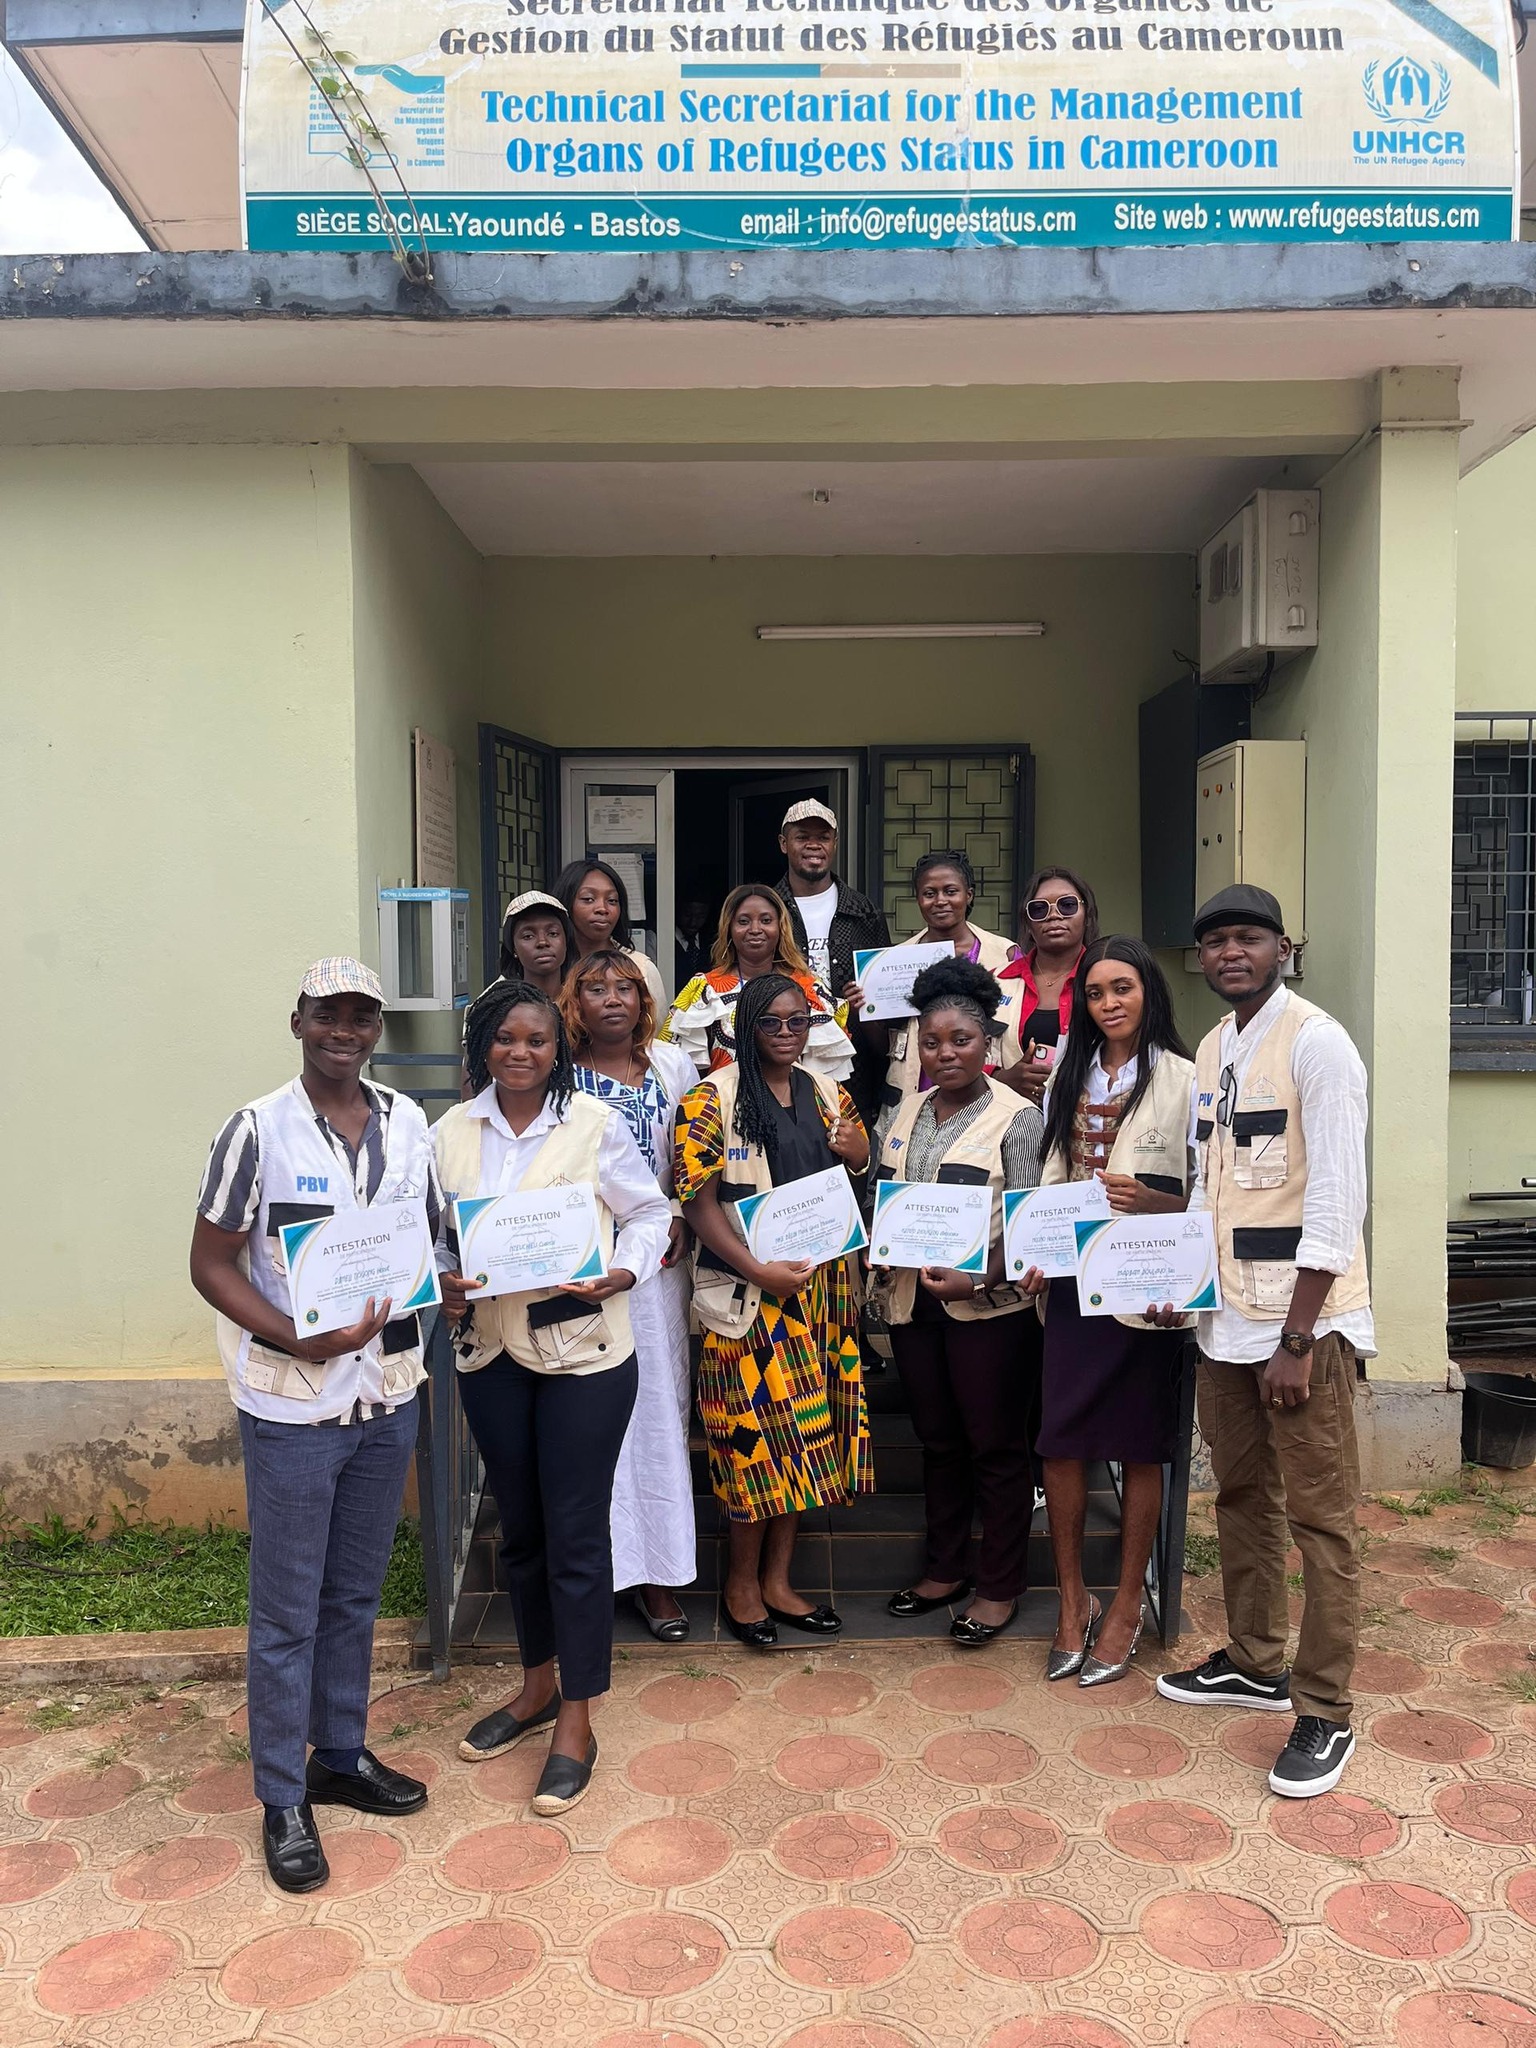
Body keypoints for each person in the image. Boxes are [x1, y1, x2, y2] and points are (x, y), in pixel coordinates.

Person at [189, 957, 437, 1894]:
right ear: (297, 1021)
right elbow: (211, 1263)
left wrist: (451, 1281)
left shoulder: (408, 1124)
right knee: (287, 1611)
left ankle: (339, 1753)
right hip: (294, 1404)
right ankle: (282, 1795)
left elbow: (422, 1241)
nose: (345, 1031)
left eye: (361, 1017)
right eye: (327, 1015)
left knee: (354, 1596)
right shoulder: (256, 1130)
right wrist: (297, 1333)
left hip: (386, 1394)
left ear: (377, 1029)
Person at [1155, 885, 1373, 1801]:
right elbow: (1209, 1184)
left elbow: (1336, 1199)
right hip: (1226, 1323)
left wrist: (1300, 1335)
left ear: (1283, 947)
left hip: (1299, 1327)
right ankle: (1255, 1660)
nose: (1229, 954)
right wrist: (1183, 1289)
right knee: (1243, 1496)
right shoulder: (1215, 1046)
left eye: (1247, 938)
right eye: (1214, 942)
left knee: (1323, 1520)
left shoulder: (1318, 1043)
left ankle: (1325, 1709)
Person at [434, 981, 671, 1815]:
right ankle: (536, 1687)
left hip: (585, 1355)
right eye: (505, 1038)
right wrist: (443, 1283)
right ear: (483, 1046)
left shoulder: (593, 1124)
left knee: (575, 1536)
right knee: (523, 1534)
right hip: (492, 1354)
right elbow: (438, 1238)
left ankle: (578, 1718)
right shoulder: (447, 1134)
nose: (521, 1052)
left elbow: (650, 1214)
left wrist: (623, 1272)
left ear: (555, 1049)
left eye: (537, 1039)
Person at [674, 972, 873, 1647]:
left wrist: (860, 1153)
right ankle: (740, 1588)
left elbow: (857, 1164)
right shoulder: (711, 1099)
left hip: (820, 1296)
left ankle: (780, 1583)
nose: (787, 1034)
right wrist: (757, 1268)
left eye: (798, 1022)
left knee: (806, 1442)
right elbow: (696, 1201)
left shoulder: (827, 1091)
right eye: (771, 1022)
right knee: (752, 1446)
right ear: (745, 1027)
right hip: (750, 1298)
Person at [1019, 937, 1195, 1687]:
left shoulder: (1187, 1078)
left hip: (1148, 1285)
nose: (1109, 1003)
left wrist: (1156, 1202)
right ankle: (1072, 1599)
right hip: (1073, 1281)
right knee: (1061, 1442)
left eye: (1122, 987)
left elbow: (1208, 1191)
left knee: (1140, 1445)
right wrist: (1034, 1251)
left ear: (1149, 991)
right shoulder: (1070, 1072)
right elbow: (1053, 1170)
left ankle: (1126, 1606)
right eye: (1095, 992)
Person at [873, 959, 1044, 1647]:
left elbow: (1032, 1228)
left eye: (960, 1040)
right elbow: (884, 1194)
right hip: (913, 1308)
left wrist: (981, 1280)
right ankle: (944, 1570)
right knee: (939, 1441)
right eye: (931, 1042)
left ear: (988, 1044)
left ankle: (999, 1587)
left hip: (988, 1315)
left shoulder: (1018, 1118)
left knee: (996, 1448)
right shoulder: (905, 1111)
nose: (945, 1053)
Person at [562, 948, 699, 1641]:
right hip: (582, 1268)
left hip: (658, 1267)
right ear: (574, 1005)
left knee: (657, 1417)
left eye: (626, 987)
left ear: (646, 1001)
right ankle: (599, 1573)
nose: (613, 998)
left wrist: (681, 1217)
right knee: (591, 1419)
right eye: (596, 988)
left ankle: (658, 1576)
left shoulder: (674, 1066)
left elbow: (695, 1159)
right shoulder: (558, 1077)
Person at [874, 851, 1021, 1138]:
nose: (940, 900)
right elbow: (881, 1045)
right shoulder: (895, 960)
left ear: (969, 894)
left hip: (987, 1088)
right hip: (914, 1087)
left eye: (950, 891)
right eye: (929, 893)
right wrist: (864, 1009)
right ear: (918, 899)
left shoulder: (1005, 955)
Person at [773, 797, 892, 1131]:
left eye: (823, 837)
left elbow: (884, 997)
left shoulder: (864, 911)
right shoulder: (767, 909)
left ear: (835, 844)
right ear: (783, 843)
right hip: (782, 1058)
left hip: (853, 1065)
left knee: (849, 1149)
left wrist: (866, 1005)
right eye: (802, 836)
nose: (814, 845)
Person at [661, 882, 855, 1084]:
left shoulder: (808, 988)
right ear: (729, 928)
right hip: (725, 1102)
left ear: (780, 927)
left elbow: (826, 1075)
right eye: (743, 921)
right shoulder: (705, 989)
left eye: (766, 920)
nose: (755, 929)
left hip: (795, 1103)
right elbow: (682, 1072)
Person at [995, 866, 1100, 1108]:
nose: (1053, 916)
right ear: (1028, 923)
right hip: (1011, 1118)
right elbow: (968, 1051)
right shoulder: (994, 982)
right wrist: (1002, 1078)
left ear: (1087, 915)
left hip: (1090, 1118)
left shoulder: (1107, 978)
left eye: (1067, 905)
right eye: (1039, 909)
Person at [555, 857, 669, 1014]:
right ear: (566, 903)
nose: (602, 908)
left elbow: (655, 1026)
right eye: (588, 899)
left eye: (612, 900)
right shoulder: (548, 965)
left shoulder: (641, 968)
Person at [675, 894, 714, 988]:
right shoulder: (658, 940)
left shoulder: (712, 943)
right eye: (687, 915)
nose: (693, 922)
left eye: (700, 916)